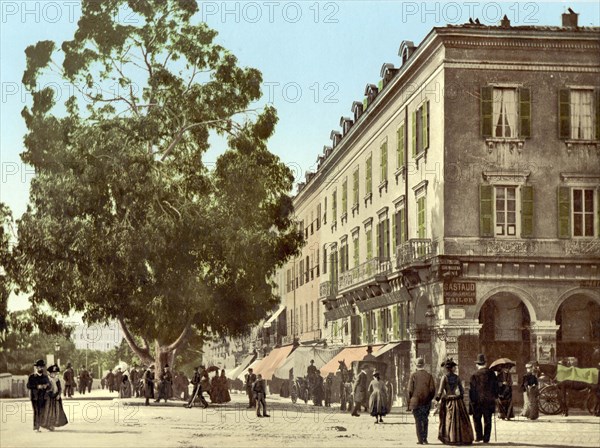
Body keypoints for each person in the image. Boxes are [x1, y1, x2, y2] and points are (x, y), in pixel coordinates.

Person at [436, 358, 474, 445]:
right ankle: (461, 438)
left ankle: (450, 438)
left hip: (448, 401)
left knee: (448, 420)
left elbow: (440, 391)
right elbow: (462, 391)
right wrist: (458, 397)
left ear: (446, 369)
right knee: (460, 420)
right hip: (457, 401)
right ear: (452, 368)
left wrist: (437, 399)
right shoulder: (457, 377)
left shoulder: (444, 377)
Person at [469, 354, 498, 444]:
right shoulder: (492, 374)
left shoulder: (474, 375)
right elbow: (496, 388)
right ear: (485, 363)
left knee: (477, 419)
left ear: (477, 364)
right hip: (489, 401)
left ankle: (478, 436)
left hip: (477, 401)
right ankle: (486, 438)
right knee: (488, 420)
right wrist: (495, 397)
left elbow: (472, 391)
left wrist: (472, 402)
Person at [407, 357, 436, 445]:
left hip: (415, 401)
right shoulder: (429, 376)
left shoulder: (413, 375)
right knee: (425, 419)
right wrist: (429, 399)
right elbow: (432, 390)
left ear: (416, 365)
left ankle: (420, 439)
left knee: (418, 420)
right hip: (426, 401)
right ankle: (425, 439)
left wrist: (409, 402)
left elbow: (409, 390)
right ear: (424, 365)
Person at [40, 364, 68, 431]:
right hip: (49, 398)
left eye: (55, 373)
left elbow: (59, 388)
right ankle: (48, 424)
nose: (54, 374)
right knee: (48, 411)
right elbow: (45, 389)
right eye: (52, 373)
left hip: (56, 398)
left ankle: (53, 424)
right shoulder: (46, 380)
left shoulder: (57, 380)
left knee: (56, 412)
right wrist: (50, 394)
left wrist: (58, 395)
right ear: (49, 373)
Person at [27, 359, 50, 432]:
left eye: (42, 367)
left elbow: (49, 386)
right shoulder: (32, 377)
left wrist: (46, 386)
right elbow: (28, 386)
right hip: (35, 397)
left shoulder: (45, 377)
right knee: (36, 411)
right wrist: (37, 386)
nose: (41, 368)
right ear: (36, 368)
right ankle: (36, 427)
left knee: (42, 412)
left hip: (43, 397)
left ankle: (41, 425)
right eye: (39, 367)